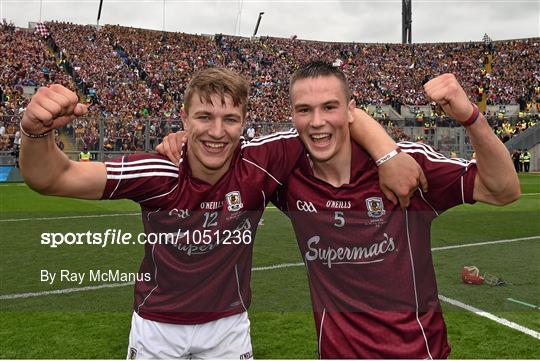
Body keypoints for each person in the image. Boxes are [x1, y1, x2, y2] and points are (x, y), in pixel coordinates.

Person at [19, 68, 425, 359]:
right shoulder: (157, 171)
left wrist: (388, 154)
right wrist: (35, 131)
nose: (217, 131)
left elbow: (335, 115)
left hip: (227, 328)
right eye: (203, 117)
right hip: (157, 327)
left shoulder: (262, 160)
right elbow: (53, 177)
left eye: (230, 119)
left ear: (245, 123)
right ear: (183, 119)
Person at [269, 63, 519, 358]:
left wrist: (471, 117)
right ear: (292, 116)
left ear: (351, 110)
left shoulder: (408, 168)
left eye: (329, 107)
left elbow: (503, 189)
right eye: (304, 110)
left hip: (417, 353)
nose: (317, 121)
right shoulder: (286, 175)